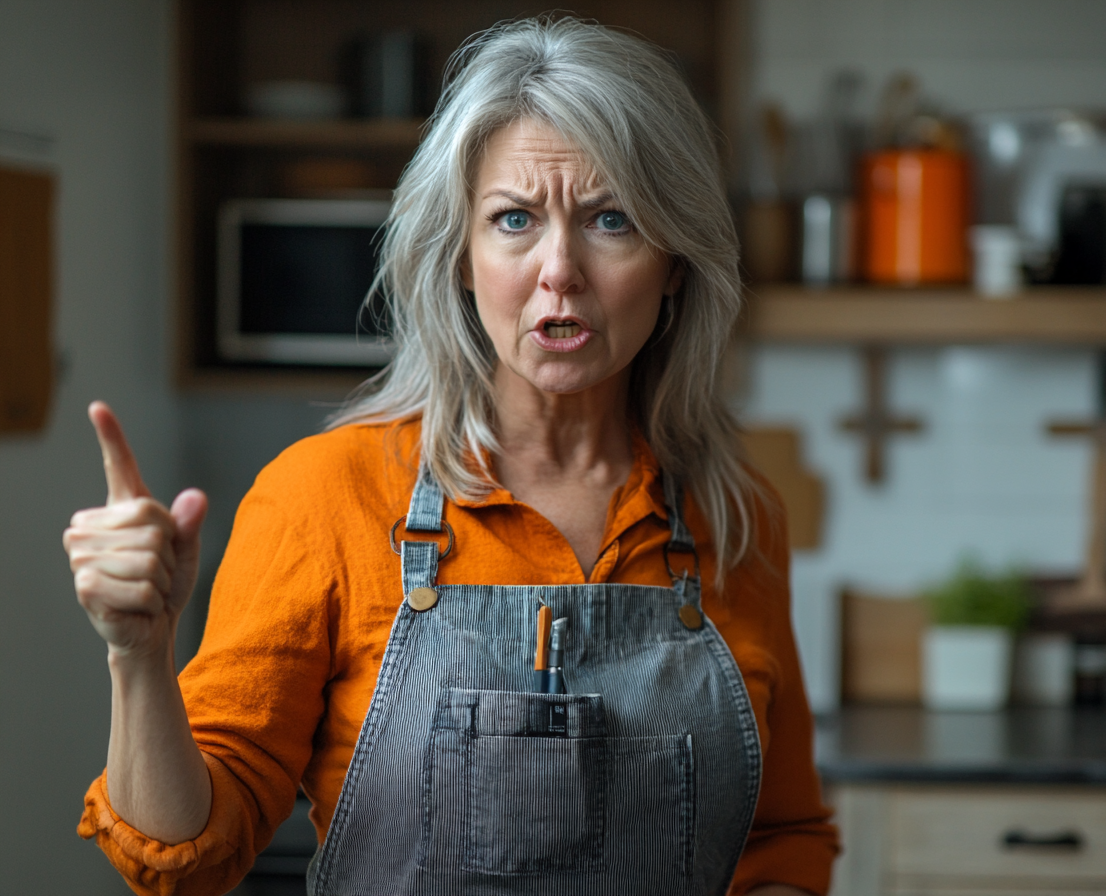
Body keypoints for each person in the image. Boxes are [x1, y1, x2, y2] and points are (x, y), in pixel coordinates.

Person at [64, 17, 838, 896]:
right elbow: (188, 858)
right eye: (513, 220)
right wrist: (138, 656)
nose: (559, 270)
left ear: (674, 264)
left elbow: (782, 840)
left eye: (612, 218)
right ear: (462, 259)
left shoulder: (734, 518)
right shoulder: (325, 497)